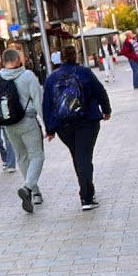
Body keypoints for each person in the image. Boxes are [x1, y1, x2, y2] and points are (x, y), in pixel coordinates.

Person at [42, 46, 111, 211]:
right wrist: (106, 110)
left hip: (64, 126)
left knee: (78, 156)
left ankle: (88, 191)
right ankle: (86, 197)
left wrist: (50, 129)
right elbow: (100, 91)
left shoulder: (51, 79)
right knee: (84, 157)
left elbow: (47, 105)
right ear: (76, 56)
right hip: (87, 121)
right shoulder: (85, 73)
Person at [0, 48, 45, 213]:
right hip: (28, 122)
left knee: (21, 157)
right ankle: (28, 188)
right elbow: (38, 102)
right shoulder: (28, 76)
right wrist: (48, 126)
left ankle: (35, 193)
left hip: (8, 126)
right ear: (17, 60)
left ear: (4, 61)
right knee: (37, 155)